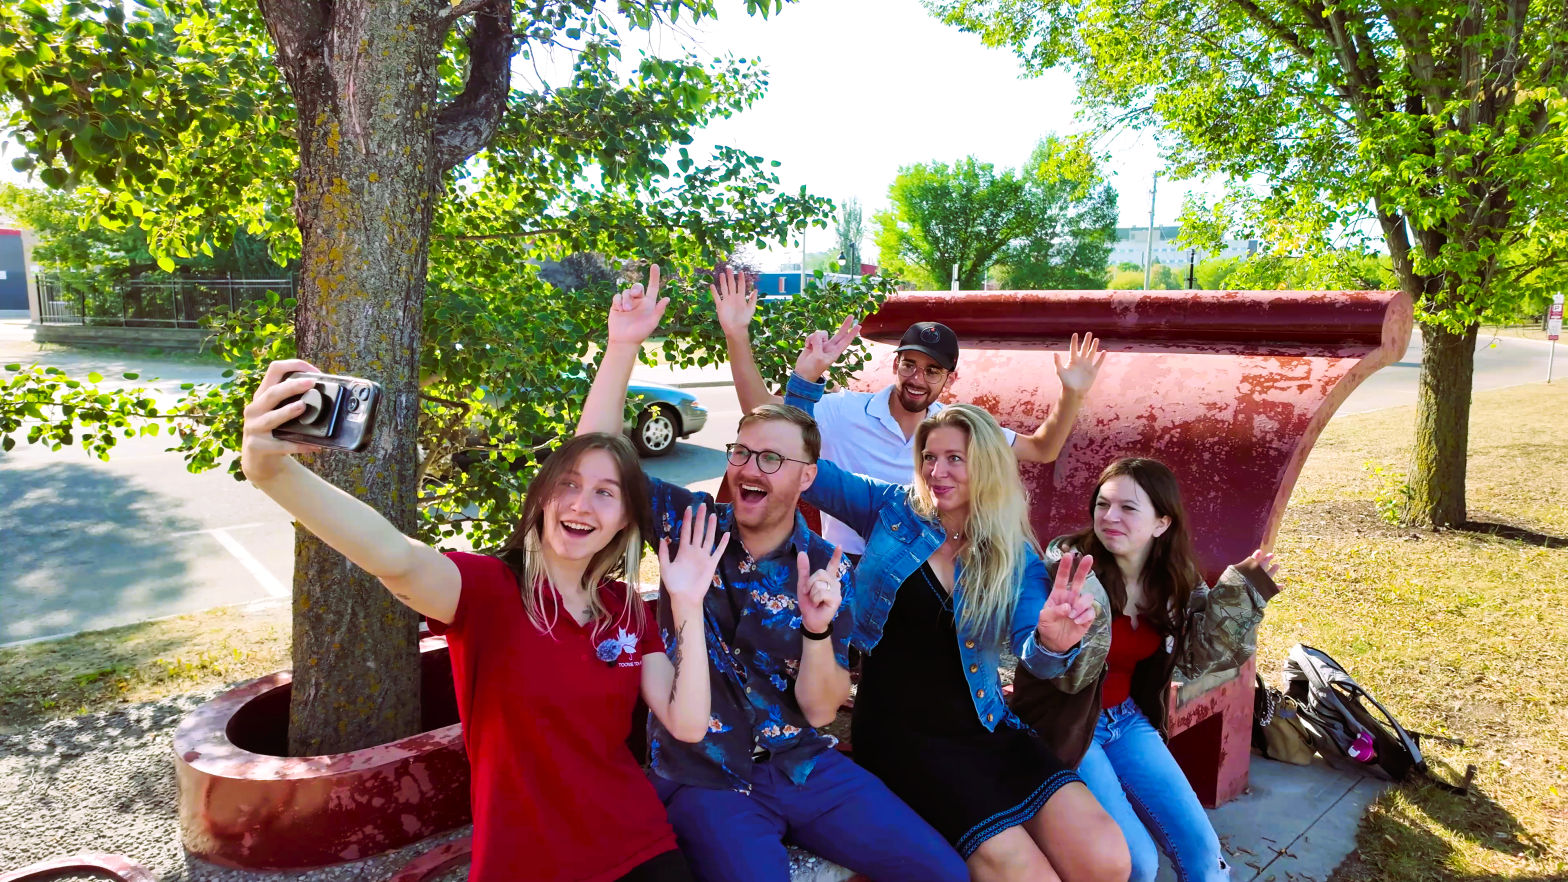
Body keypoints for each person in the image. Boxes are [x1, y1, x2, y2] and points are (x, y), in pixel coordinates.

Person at [239, 359, 728, 882]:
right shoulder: (485, 589)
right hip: (526, 863)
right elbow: (392, 555)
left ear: (626, 518)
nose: (581, 503)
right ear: (540, 498)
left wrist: (688, 604)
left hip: (639, 846)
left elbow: (688, 723)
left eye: (606, 492)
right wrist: (271, 472)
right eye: (566, 484)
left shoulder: (625, 607)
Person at [575, 266, 970, 882]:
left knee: (943, 872)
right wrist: (622, 346)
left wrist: (817, 628)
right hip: (705, 775)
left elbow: (819, 711)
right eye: (739, 452)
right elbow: (593, 461)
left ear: (806, 478)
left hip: (804, 764)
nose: (746, 469)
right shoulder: (689, 524)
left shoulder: (823, 570)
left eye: (770, 458)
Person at [784, 380, 1131, 882]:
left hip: (985, 725)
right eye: (929, 456)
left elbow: (1032, 648)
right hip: (901, 733)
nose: (935, 471)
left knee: (1107, 858)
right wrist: (803, 386)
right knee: (1026, 874)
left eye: (954, 459)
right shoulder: (891, 508)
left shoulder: (1014, 555)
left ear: (986, 466)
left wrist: (1054, 642)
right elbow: (805, 473)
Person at [1008, 458, 1283, 882]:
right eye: (1102, 505)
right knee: (1138, 862)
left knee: (1205, 855)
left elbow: (1197, 659)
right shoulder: (1068, 573)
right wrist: (1058, 636)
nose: (1109, 517)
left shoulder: (1172, 581)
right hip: (1069, 724)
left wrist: (1241, 594)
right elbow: (1046, 666)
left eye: (1128, 508)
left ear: (1161, 523)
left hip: (1127, 721)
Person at [714, 267, 1104, 559]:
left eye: (932, 370)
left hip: (919, 569)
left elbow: (1042, 449)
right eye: (909, 365)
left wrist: (1072, 393)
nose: (917, 378)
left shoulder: (954, 430)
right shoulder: (844, 411)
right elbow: (761, 412)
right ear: (895, 364)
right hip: (843, 566)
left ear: (949, 378)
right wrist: (736, 335)